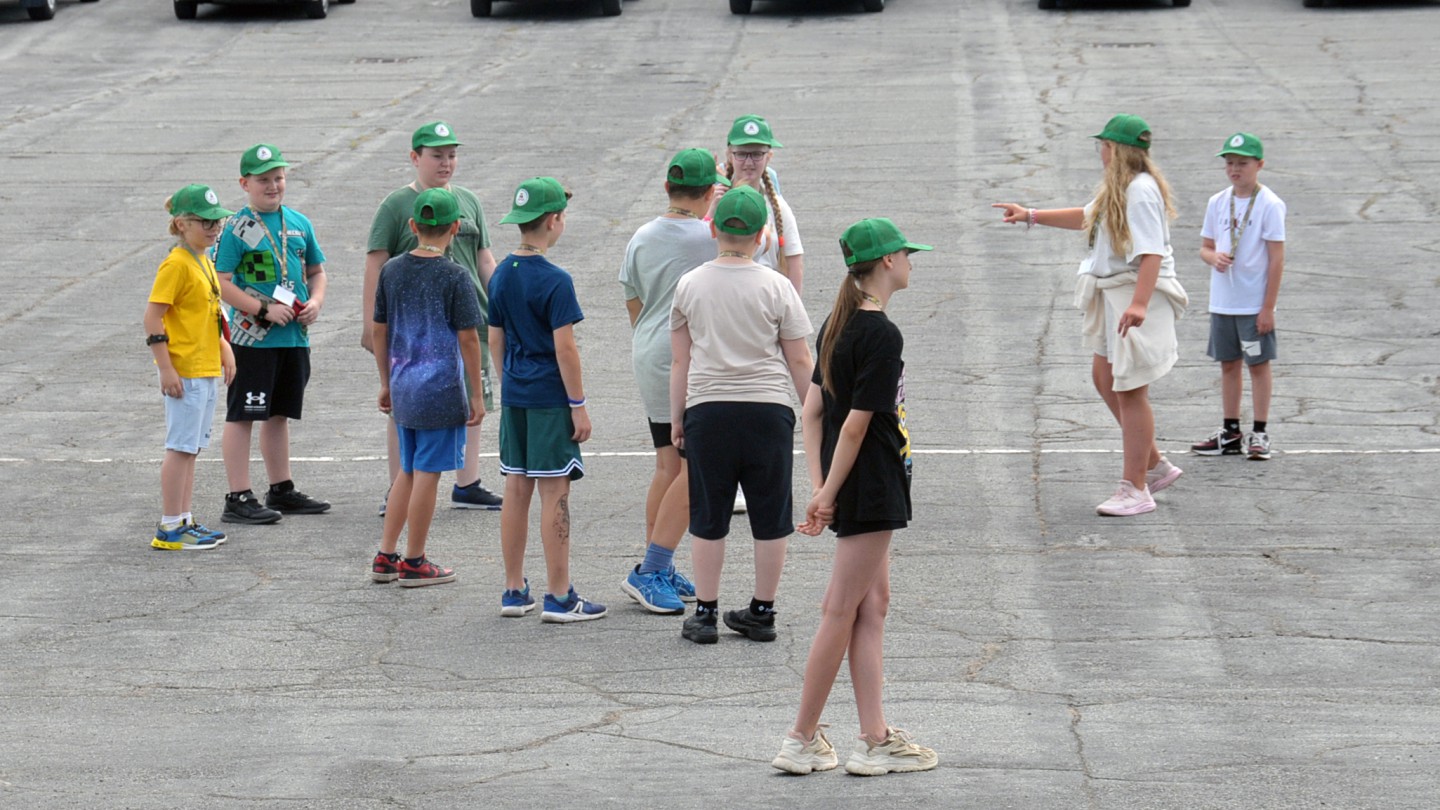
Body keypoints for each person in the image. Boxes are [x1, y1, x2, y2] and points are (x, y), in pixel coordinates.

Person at [772, 217, 937, 777]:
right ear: (887, 261)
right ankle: (801, 737)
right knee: (840, 609)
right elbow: (854, 426)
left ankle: (874, 737)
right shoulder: (880, 333)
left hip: (855, 485)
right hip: (870, 485)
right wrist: (827, 493)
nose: (910, 262)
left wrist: (821, 486)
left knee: (872, 605)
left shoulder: (837, 323)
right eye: (906, 254)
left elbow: (813, 412)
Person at [993, 114, 1188, 517]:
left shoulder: (1140, 191)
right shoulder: (1121, 187)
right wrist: (1030, 215)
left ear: (1114, 149)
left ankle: (1135, 488)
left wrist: (1139, 303)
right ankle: (1154, 464)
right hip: (1115, 294)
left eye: (1103, 145)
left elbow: (1151, 252)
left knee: (1130, 389)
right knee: (1104, 377)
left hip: (1134, 296)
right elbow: (1088, 216)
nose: (1100, 152)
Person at [670, 185, 813, 644]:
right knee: (770, 514)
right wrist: (814, 414)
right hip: (768, 409)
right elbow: (799, 359)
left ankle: (705, 612)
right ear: (762, 236)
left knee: (709, 515)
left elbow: (681, 360)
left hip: (708, 408)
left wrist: (677, 418)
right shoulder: (777, 286)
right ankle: (762, 610)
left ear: (712, 229)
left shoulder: (690, 284)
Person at [363, 121, 503, 515]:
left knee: (473, 397)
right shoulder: (396, 206)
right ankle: (398, 487)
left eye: (452, 155)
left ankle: (467, 482)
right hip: (416, 330)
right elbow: (376, 265)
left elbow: (483, 258)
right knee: (405, 404)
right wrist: (370, 323)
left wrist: (502, 303)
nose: (446, 163)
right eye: (437, 155)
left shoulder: (469, 201)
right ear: (415, 157)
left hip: (469, 321)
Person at [489, 177, 606, 623]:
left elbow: (495, 338)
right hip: (549, 397)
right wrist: (578, 403)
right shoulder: (556, 280)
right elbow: (565, 349)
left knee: (516, 488)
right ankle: (559, 594)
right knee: (555, 490)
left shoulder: (501, 273)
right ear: (554, 220)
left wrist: (508, 383)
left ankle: (513, 588)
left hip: (516, 395)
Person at [617, 148, 726, 615]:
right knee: (691, 471)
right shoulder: (709, 238)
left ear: (667, 187)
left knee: (668, 464)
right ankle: (651, 569)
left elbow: (633, 297)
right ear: (710, 192)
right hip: (689, 360)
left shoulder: (641, 236)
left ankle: (656, 563)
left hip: (649, 353)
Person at [368, 189, 484, 587]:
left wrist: (385, 381)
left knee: (407, 470)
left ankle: (386, 554)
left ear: (413, 225)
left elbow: (379, 329)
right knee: (429, 473)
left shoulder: (392, 270)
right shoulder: (455, 275)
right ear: (455, 228)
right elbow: (468, 338)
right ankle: (415, 560)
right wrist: (476, 393)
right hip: (440, 390)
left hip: (403, 384)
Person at [215, 143, 330, 525]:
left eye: (278, 178)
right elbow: (221, 282)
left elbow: (316, 271)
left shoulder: (298, 222)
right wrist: (262, 309)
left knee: (278, 414)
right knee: (244, 413)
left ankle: (281, 487)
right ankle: (238, 495)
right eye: (263, 179)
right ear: (244, 183)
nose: (272, 185)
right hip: (254, 341)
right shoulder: (236, 228)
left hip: (293, 337)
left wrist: (315, 301)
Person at [144, 184, 236, 550]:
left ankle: (184, 518)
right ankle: (170, 526)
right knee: (180, 447)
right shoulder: (177, 264)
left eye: (217, 222)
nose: (214, 228)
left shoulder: (203, 260)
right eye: (206, 222)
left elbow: (207, 312)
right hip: (185, 369)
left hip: (205, 365)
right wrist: (165, 368)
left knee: (192, 448)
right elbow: (153, 318)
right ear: (182, 224)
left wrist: (224, 347)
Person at [1190, 132, 1286, 461]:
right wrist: (1213, 257)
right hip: (1223, 302)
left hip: (1252, 303)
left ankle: (1260, 432)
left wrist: (1268, 307)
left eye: (1242, 163)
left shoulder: (1269, 204)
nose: (1234, 169)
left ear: (1259, 165)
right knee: (1228, 364)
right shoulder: (1217, 202)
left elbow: (1276, 259)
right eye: (1230, 163)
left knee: (1258, 365)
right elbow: (1205, 247)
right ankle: (1230, 431)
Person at [716, 114, 805, 294]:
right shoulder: (715, 203)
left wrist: (793, 305)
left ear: (769, 156)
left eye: (757, 154)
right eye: (741, 154)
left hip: (766, 298)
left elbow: (794, 262)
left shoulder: (777, 206)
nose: (749, 163)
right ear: (729, 156)